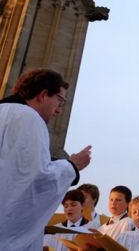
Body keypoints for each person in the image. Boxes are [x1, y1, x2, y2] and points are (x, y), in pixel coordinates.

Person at [0, 68, 91, 251]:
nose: (59, 110)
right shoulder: (28, 118)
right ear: (43, 95)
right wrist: (72, 166)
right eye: (60, 100)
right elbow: (35, 179)